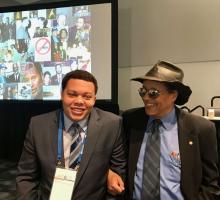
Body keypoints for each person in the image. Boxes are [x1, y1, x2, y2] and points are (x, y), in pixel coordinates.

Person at [109, 60, 220, 199]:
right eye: (143, 91)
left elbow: (211, 184)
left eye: (153, 93)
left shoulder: (201, 129)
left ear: (173, 95)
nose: (146, 98)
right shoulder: (130, 120)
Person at [16, 69, 126, 199]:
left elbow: (118, 173)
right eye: (72, 94)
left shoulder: (112, 124)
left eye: (87, 97)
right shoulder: (38, 125)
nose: (79, 101)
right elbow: (26, 176)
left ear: (94, 99)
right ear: (62, 94)